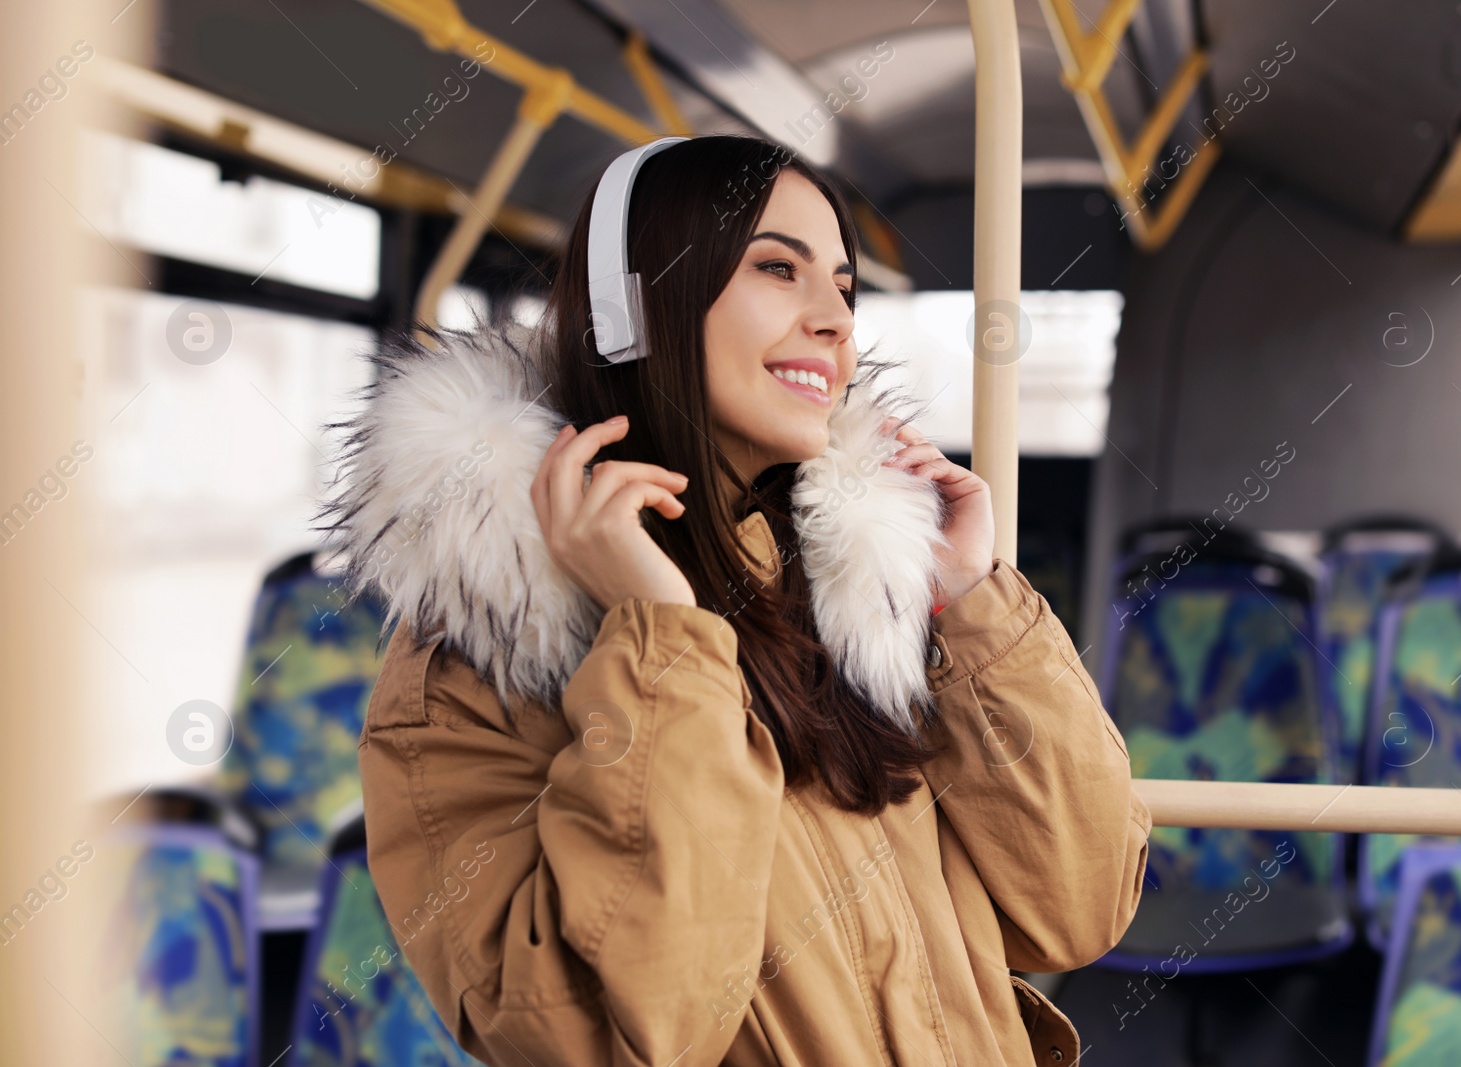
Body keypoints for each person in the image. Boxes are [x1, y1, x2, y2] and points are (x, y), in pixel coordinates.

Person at [322, 134, 1149, 1066]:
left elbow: (1078, 907)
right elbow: (617, 1033)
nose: (835, 319)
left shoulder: (846, 595)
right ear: (631, 310)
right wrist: (662, 642)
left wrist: (973, 603)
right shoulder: (476, 668)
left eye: (842, 285)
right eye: (775, 268)